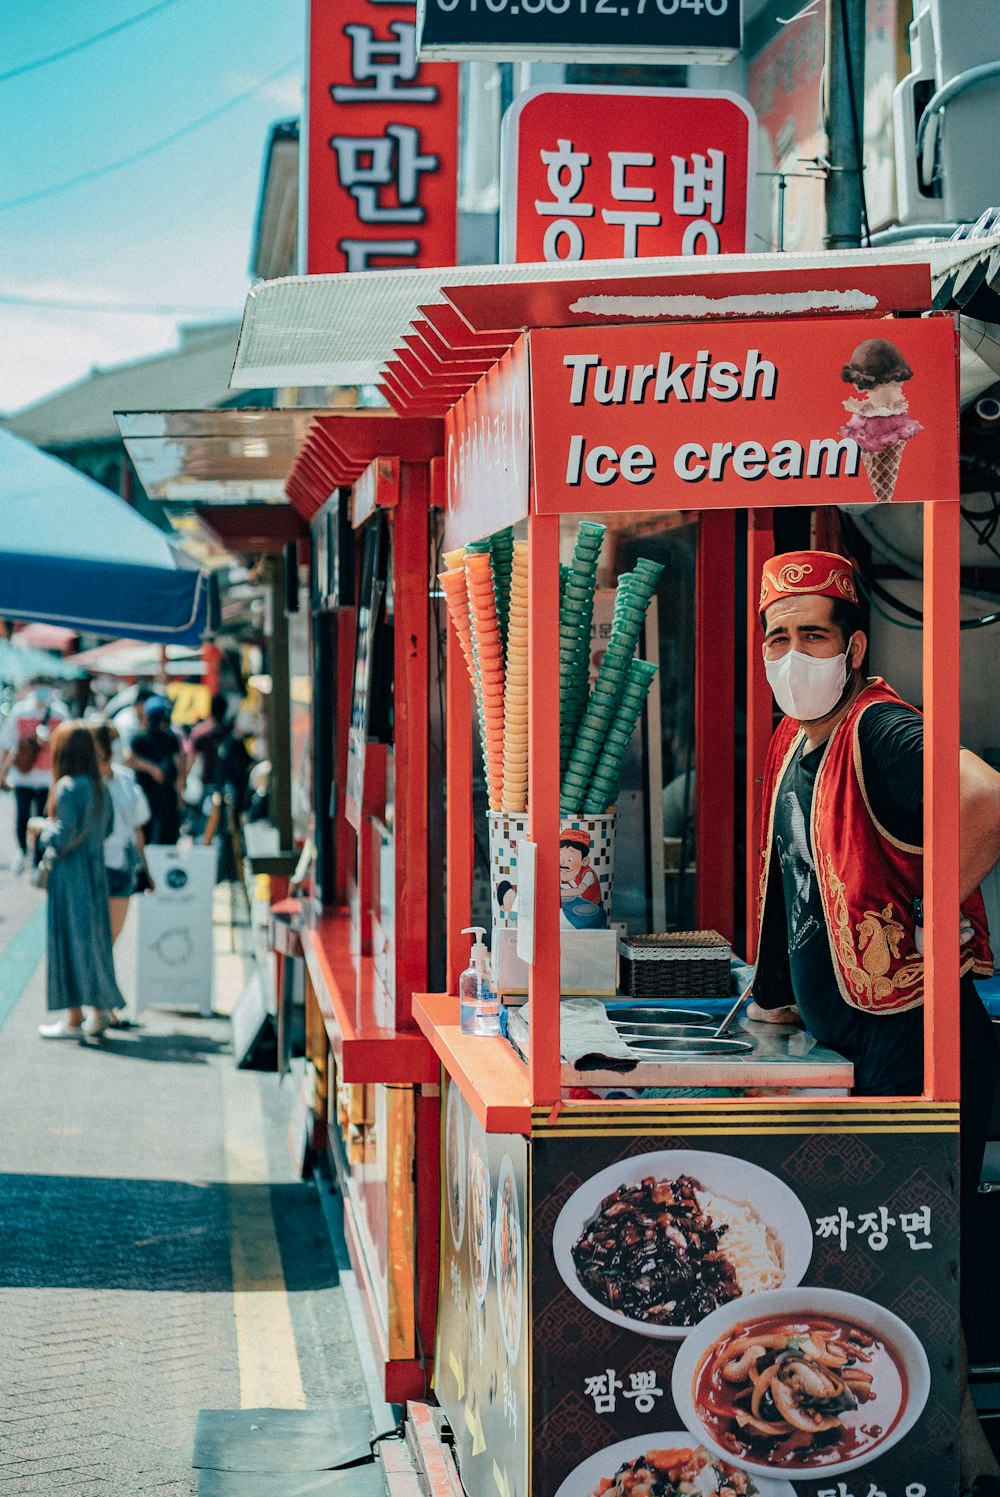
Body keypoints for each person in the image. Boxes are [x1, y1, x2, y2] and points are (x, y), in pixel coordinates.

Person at [748, 548, 1000, 1495]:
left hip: (920, 1040)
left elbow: (983, 797)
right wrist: (776, 992)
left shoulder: (879, 729)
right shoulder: (797, 738)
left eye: (814, 634)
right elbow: (798, 882)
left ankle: (960, 1460)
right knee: (880, 1254)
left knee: (921, 1250)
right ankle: (906, 1450)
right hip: (854, 1041)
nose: (793, 652)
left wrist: (931, 929)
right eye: (779, 636)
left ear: (854, 646)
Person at [33, 721, 124, 1040]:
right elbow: (109, 828)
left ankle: (74, 1017)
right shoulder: (99, 786)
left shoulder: (68, 786)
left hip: (70, 876)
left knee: (66, 941)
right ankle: (97, 1009)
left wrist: (41, 828)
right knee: (93, 940)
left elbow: (60, 838)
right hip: (95, 872)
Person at [91, 719, 151, 943]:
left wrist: (146, 869)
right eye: (111, 740)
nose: (117, 745)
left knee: (113, 936)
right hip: (96, 866)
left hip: (123, 865)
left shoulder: (126, 778)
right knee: (95, 936)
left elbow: (137, 827)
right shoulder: (87, 783)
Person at [0, 681, 70, 873]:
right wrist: (3, 771)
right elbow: (7, 743)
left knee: (44, 816)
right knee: (23, 816)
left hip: (49, 777)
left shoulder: (60, 713)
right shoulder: (21, 711)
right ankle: (22, 851)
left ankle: (38, 857)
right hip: (23, 776)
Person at [127, 695, 185, 845]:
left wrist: (179, 792)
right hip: (146, 795)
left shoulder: (171, 739)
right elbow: (128, 759)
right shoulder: (139, 739)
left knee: (166, 838)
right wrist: (152, 769)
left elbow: (180, 763)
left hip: (166, 797)